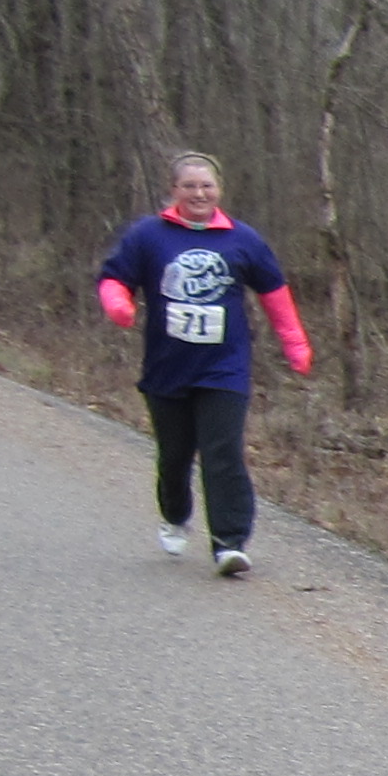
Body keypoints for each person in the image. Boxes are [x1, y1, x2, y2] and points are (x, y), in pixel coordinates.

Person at [95, 151, 310, 578]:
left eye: (207, 186)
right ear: (174, 190)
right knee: (174, 456)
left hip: (224, 367)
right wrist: (118, 304)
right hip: (167, 366)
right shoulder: (148, 235)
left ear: (219, 190)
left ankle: (229, 543)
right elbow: (114, 276)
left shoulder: (242, 239)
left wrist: (295, 343)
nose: (199, 193)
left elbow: (274, 292)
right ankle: (175, 515)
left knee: (222, 451)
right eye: (190, 186)